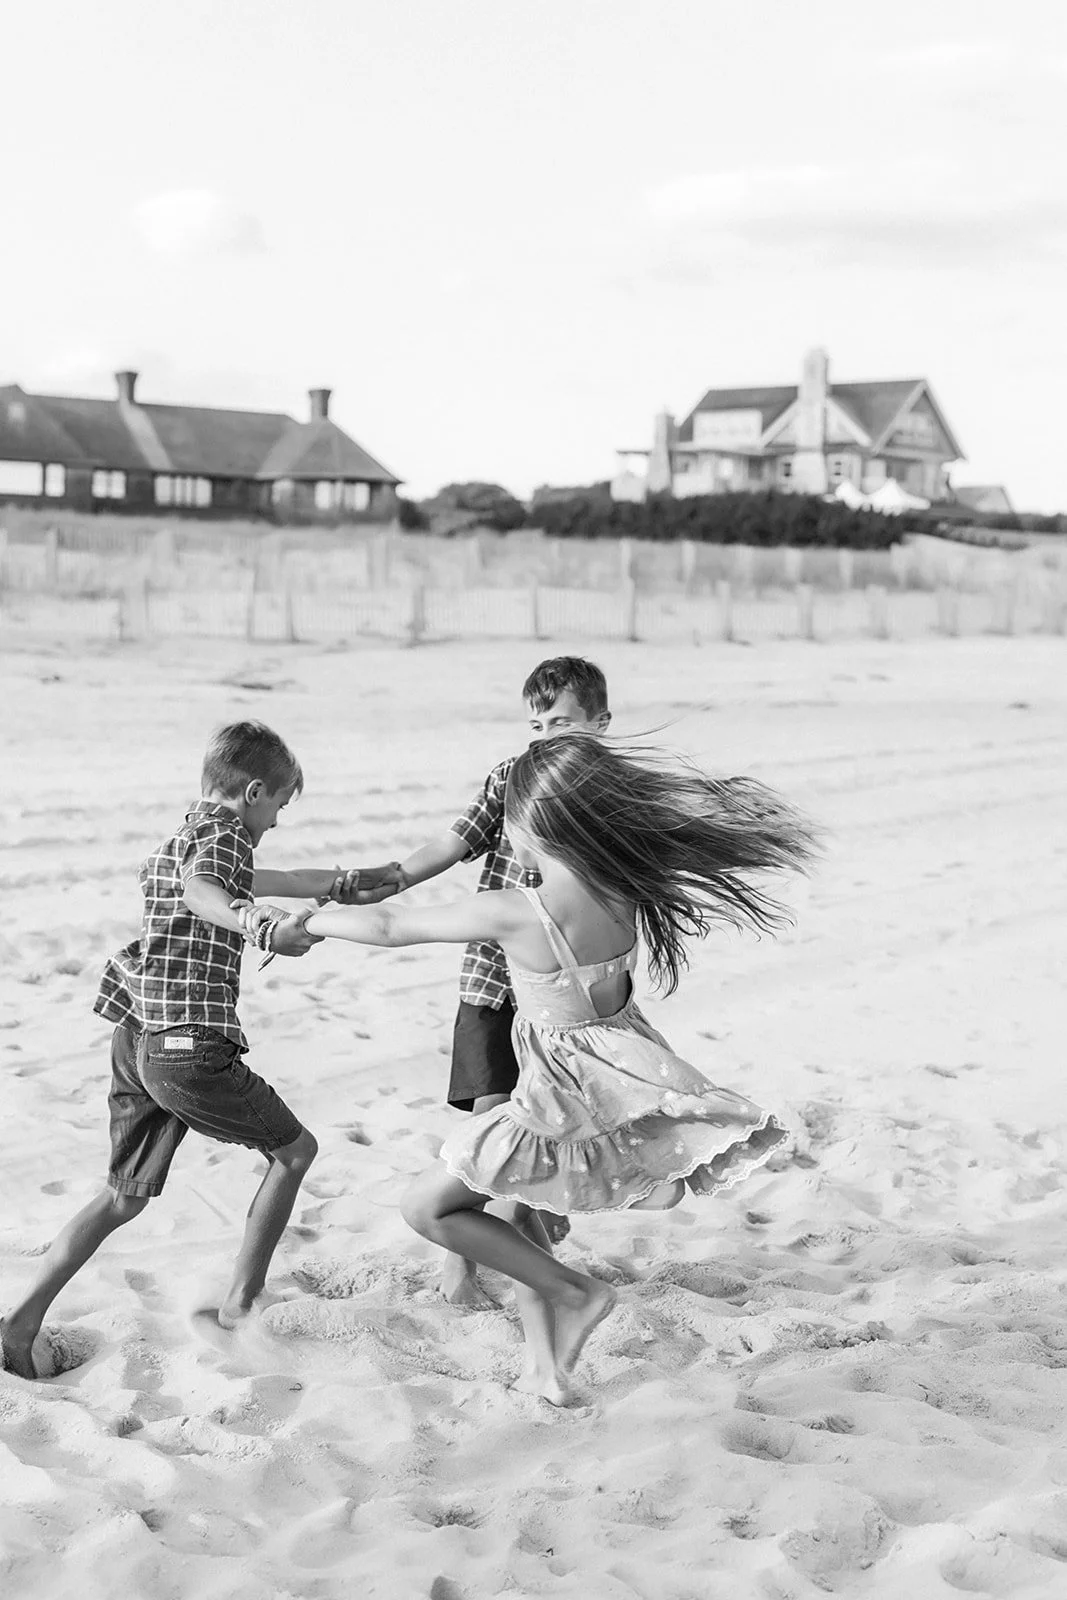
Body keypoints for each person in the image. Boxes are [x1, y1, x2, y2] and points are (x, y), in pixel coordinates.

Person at [250, 733, 818, 1406]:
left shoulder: (522, 911)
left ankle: (571, 1292)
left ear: (536, 825)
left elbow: (392, 928)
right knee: (521, 1211)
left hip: (560, 1085)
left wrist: (314, 921)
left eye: (511, 823)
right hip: (611, 1064)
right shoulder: (625, 886)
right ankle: (546, 1366)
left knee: (427, 1207)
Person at [0, 720, 402, 1380]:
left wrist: (345, 881)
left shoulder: (177, 842)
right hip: (185, 1047)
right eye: (277, 807)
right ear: (252, 792)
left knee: (122, 1196)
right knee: (294, 1151)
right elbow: (208, 892)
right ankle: (242, 1304)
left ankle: (20, 1326)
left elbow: (268, 876)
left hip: (136, 1035)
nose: (273, 823)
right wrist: (260, 926)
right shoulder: (223, 840)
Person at [394, 656, 611, 1306]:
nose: (547, 734)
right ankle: (460, 1269)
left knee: (548, 1128)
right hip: (492, 982)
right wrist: (393, 878)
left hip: (565, 996)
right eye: (537, 722)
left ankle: (529, 1249)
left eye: (563, 721)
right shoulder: (511, 778)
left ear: (599, 722)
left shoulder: (613, 795)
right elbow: (452, 844)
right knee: (485, 1128)